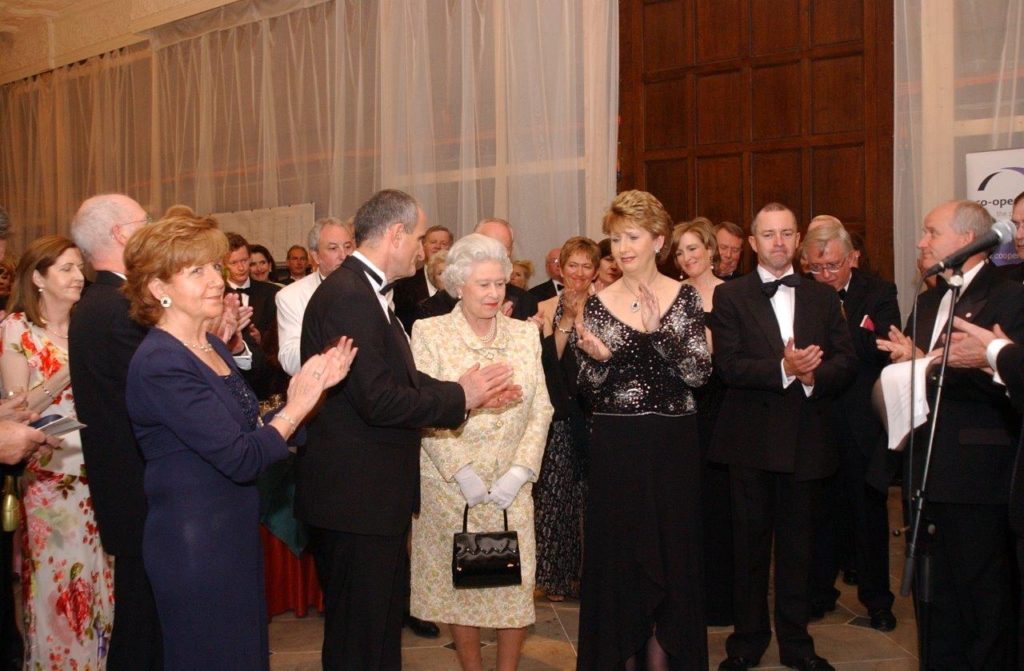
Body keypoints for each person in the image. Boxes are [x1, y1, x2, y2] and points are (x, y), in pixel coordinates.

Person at [297, 189, 519, 670]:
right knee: (359, 637)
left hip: (370, 498)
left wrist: (464, 391)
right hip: (355, 499)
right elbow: (376, 399)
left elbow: (404, 379)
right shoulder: (350, 296)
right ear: (395, 234)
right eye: (419, 238)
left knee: (376, 632)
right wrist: (462, 397)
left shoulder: (364, 292)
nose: (424, 251)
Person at [122, 214, 356, 670]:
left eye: (214, 266)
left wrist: (309, 389)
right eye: (197, 271)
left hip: (229, 533)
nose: (217, 280)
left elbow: (249, 423)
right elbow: (240, 456)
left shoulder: (207, 347)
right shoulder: (159, 361)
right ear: (157, 288)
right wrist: (297, 405)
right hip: (193, 543)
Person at [876, 200, 1024, 669]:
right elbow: (936, 367)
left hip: (980, 475)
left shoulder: (1010, 293)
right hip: (926, 470)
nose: (921, 242)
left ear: (966, 239)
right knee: (932, 600)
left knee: (983, 601)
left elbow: (1008, 378)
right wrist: (917, 358)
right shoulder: (928, 299)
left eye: (931, 231)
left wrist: (966, 362)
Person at [710, 203, 856, 671]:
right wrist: (783, 368)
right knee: (748, 550)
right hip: (750, 442)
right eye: (768, 234)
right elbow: (727, 366)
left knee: (799, 551)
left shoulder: (821, 296)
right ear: (753, 243)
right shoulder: (730, 297)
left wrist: (812, 377)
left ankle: (797, 646)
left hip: (806, 443)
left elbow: (845, 362)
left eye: (786, 233)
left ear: (797, 241)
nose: (777, 242)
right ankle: (746, 643)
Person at [573, 190, 712, 669]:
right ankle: (621, 655)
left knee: (671, 556)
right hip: (617, 447)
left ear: (658, 239)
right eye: (615, 238)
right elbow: (588, 392)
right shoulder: (596, 305)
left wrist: (661, 334)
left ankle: (663, 658)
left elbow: (698, 374)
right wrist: (597, 363)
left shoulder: (685, 296)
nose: (622, 248)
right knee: (620, 559)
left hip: (672, 446)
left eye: (632, 236)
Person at [409, 233, 553, 670]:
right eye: (482, 284)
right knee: (462, 588)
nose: (494, 294)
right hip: (452, 487)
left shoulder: (524, 336)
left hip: (513, 485)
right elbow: (423, 410)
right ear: (457, 285)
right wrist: (462, 474)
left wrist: (520, 471)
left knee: (514, 586)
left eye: (499, 284)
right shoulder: (429, 332)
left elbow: (541, 408)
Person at [0, 235, 116, 669]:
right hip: (49, 475)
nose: (77, 277)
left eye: (77, 267)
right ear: (38, 278)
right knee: (59, 580)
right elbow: (19, 408)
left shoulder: (89, 323)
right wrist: (67, 369)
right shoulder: (16, 329)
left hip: (97, 467)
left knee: (99, 575)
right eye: (65, 268)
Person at [67, 193, 164, 669]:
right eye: (146, 220)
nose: (153, 228)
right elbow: (159, 390)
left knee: (144, 616)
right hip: (138, 487)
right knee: (143, 624)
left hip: (126, 485)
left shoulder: (102, 300)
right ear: (122, 235)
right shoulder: (115, 307)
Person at [801, 220, 899, 632]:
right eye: (816, 268)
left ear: (850, 258)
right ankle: (819, 594)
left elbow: (873, 348)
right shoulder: (801, 296)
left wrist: (836, 321)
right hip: (817, 421)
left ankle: (878, 601)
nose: (824, 275)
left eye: (832, 266)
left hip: (860, 422)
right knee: (818, 516)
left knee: (868, 515)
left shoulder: (879, 292)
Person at [671, 219, 735, 627]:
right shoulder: (672, 295)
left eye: (694, 248)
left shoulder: (732, 295)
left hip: (721, 407)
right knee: (683, 507)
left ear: (711, 250)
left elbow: (730, 355)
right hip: (681, 408)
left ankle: (721, 601)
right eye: (679, 251)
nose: (687, 257)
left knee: (719, 507)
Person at [533, 236, 597, 602]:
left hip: (596, 412)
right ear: (561, 267)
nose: (579, 272)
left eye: (587, 265)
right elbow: (549, 361)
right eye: (572, 264)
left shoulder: (607, 303)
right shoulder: (545, 306)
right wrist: (568, 320)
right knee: (556, 497)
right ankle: (556, 577)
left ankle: (590, 576)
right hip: (559, 410)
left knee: (592, 498)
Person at [416, 218, 539, 323]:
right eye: (486, 246)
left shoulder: (526, 302)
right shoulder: (434, 306)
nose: (494, 255)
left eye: (502, 249)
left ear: (510, 251)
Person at [276, 217, 356, 376]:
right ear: (316, 256)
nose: (344, 256)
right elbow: (290, 361)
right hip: (323, 388)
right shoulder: (290, 296)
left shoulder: (372, 289)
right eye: (333, 248)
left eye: (348, 247)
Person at [394, 225, 454, 334]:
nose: (438, 246)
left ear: (451, 247)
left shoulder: (461, 287)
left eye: (443, 243)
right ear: (423, 245)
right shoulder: (403, 283)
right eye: (433, 242)